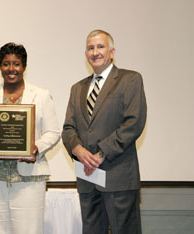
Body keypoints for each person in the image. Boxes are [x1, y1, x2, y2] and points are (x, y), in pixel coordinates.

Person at [62, 30, 147, 234]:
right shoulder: (77, 88)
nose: (95, 52)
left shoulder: (130, 79)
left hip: (119, 178)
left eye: (100, 47)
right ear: (86, 54)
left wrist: (101, 153)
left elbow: (133, 123)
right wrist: (78, 150)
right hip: (87, 179)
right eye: (90, 48)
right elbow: (68, 129)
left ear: (112, 52)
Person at [0, 42, 60, 234]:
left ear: (24, 67)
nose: (11, 69)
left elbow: (53, 133)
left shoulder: (41, 95)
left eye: (16, 64)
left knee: (30, 230)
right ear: (0, 66)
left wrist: (35, 149)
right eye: (6, 64)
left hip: (30, 176)